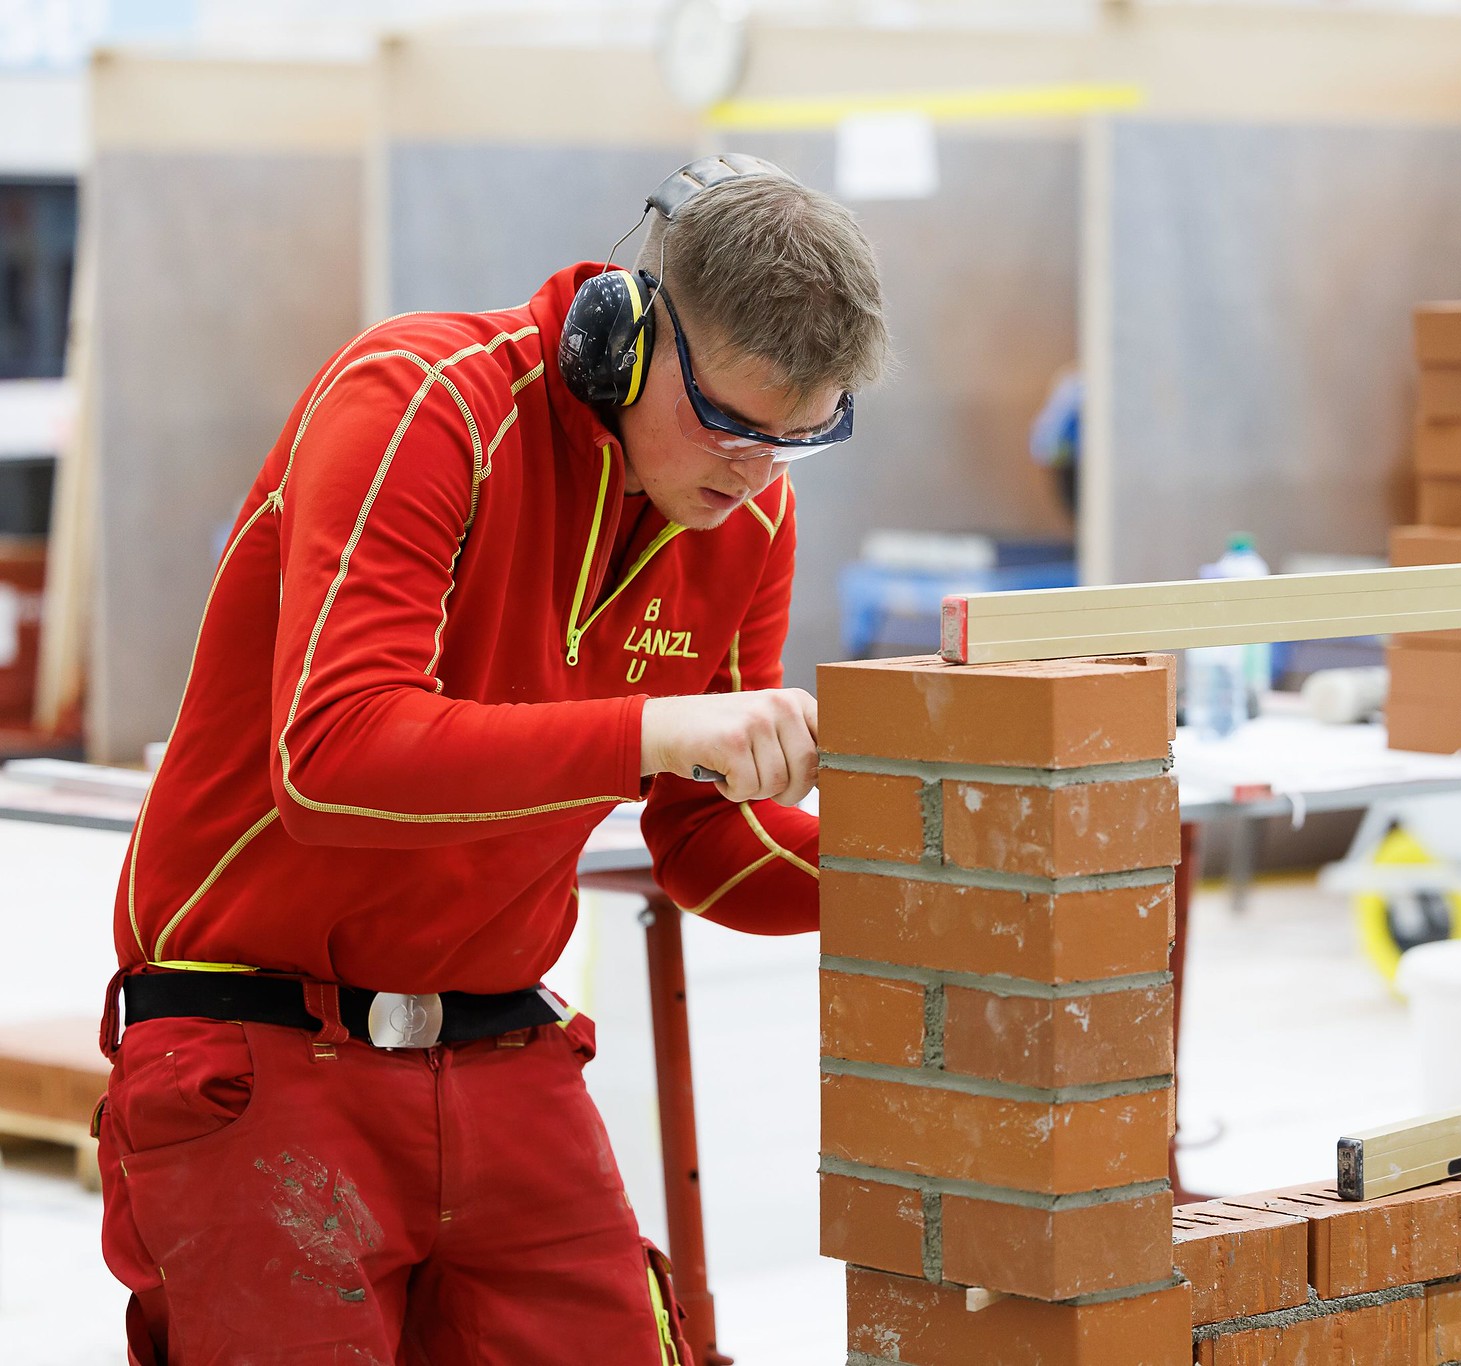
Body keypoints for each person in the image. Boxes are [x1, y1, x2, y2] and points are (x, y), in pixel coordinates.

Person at [94, 153, 887, 1365]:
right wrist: (652, 730)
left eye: (798, 438)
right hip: (255, 1037)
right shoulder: (422, 402)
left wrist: (929, 872)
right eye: (727, 421)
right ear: (619, 337)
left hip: (502, 1048)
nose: (754, 470)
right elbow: (334, 756)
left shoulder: (748, 517)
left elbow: (707, 847)